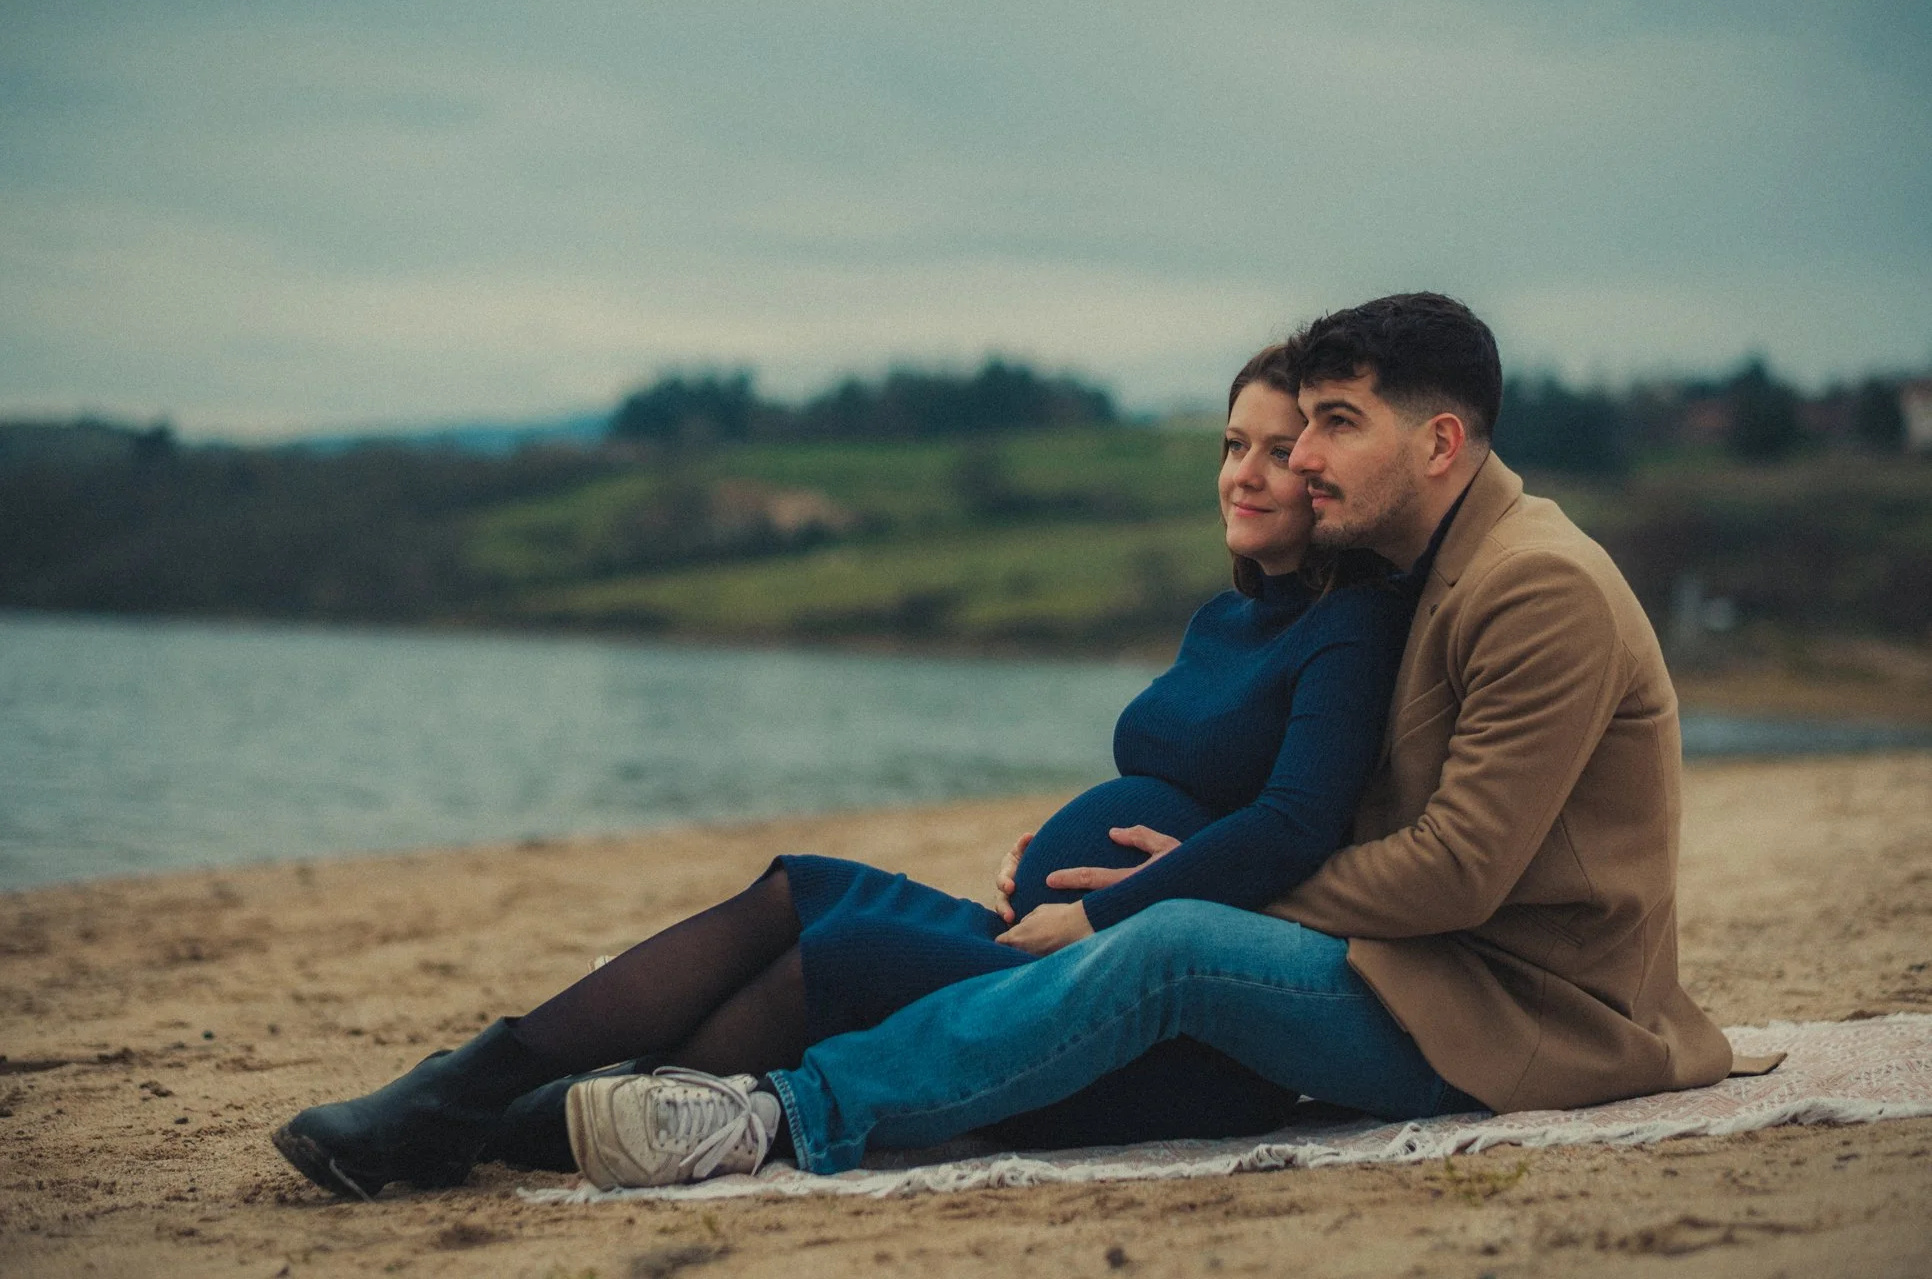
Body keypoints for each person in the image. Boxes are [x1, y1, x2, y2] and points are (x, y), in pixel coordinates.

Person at [554, 291, 1736, 1190]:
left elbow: (1456, 869)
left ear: (1437, 444)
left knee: (1170, 945)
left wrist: (1187, 884)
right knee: (895, 920)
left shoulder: (1536, 586)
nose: (1302, 457)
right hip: (1412, 962)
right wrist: (1188, 845)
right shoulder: (1414, 571)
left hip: (1512, 1009)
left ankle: (779, 1116)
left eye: (1334, 424)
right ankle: (561, 1090)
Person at [271, 340, 1426, 1201]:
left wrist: (1111, 903)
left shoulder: (1353, 625)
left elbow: (1295, 822)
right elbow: (1194, 783)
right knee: (806, 881)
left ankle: (487, 1117)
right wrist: (1063, 849)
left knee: (845, 948)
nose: (1251, 472)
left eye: (1286, 451)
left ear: (1331, 476)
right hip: (1051, 942)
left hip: (1147, 1023)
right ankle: (475, 1093)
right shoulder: (1226, 619)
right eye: (1235, 445)